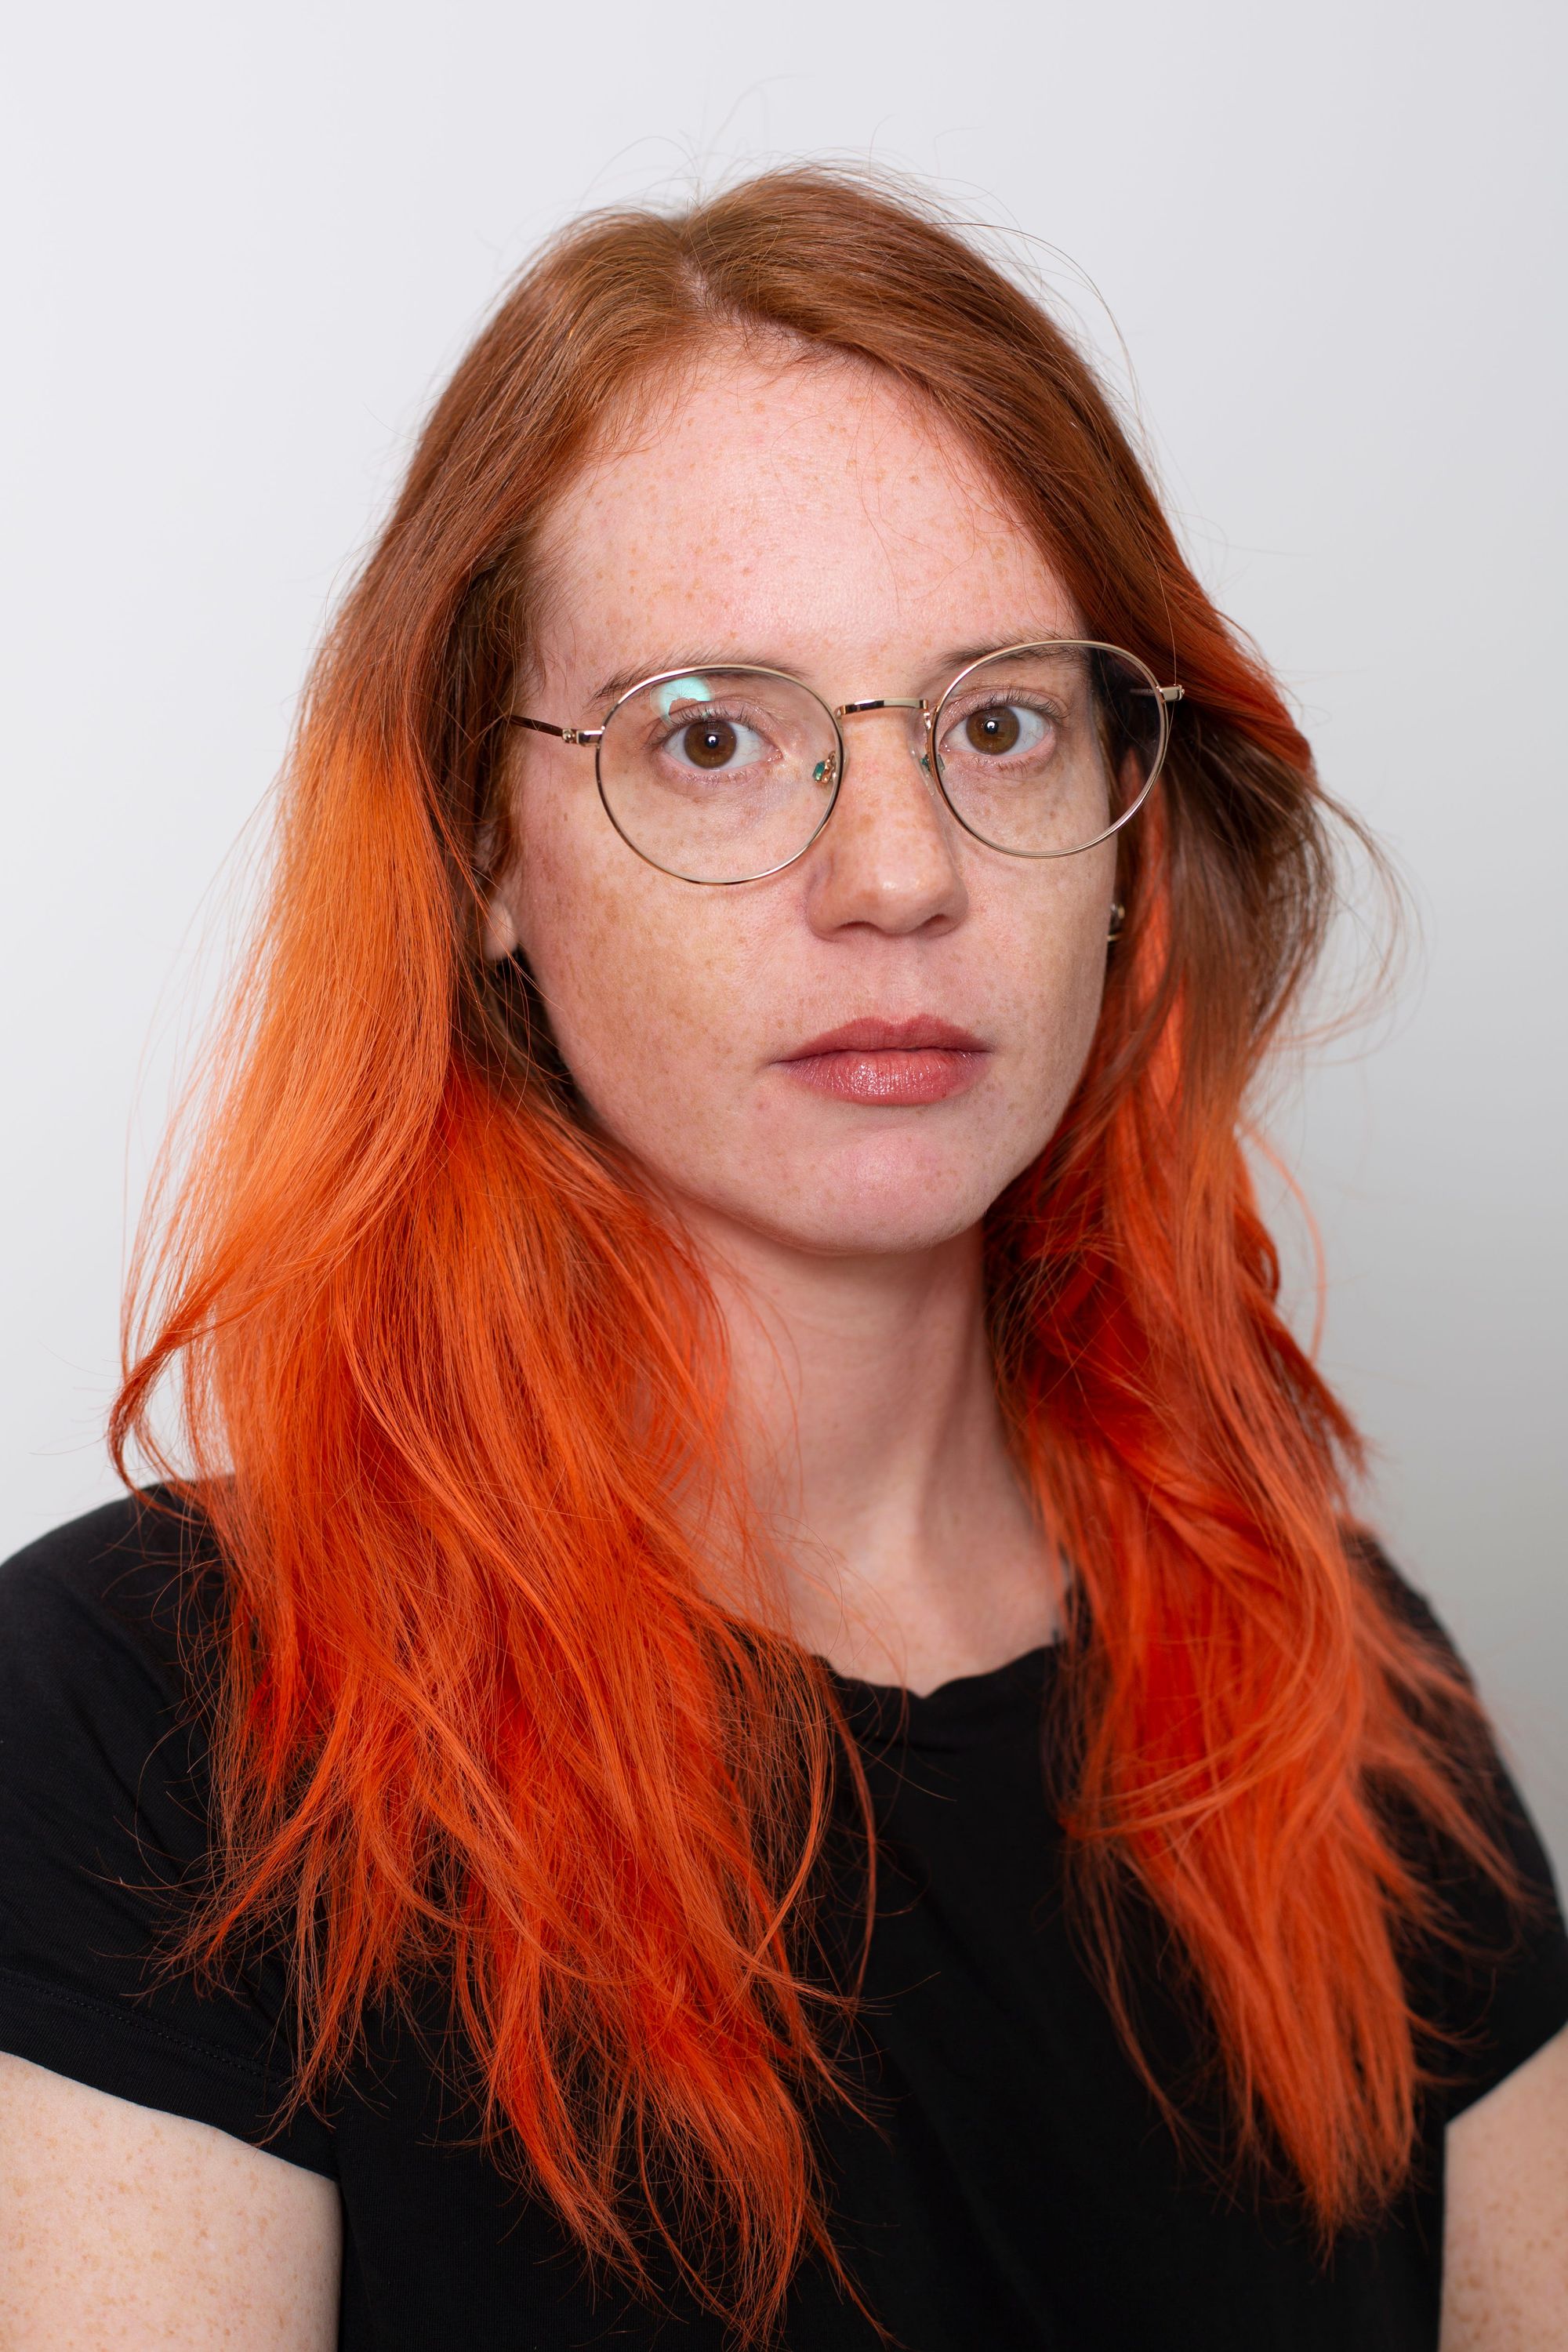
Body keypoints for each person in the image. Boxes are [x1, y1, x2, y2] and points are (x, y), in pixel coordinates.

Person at [0, 167, 1563, 2352]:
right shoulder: (148, 1732)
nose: (900, 871)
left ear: (1133, 809)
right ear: (483, 854)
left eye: (1002, 720)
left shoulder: (1349, 1709)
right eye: (716, 737)